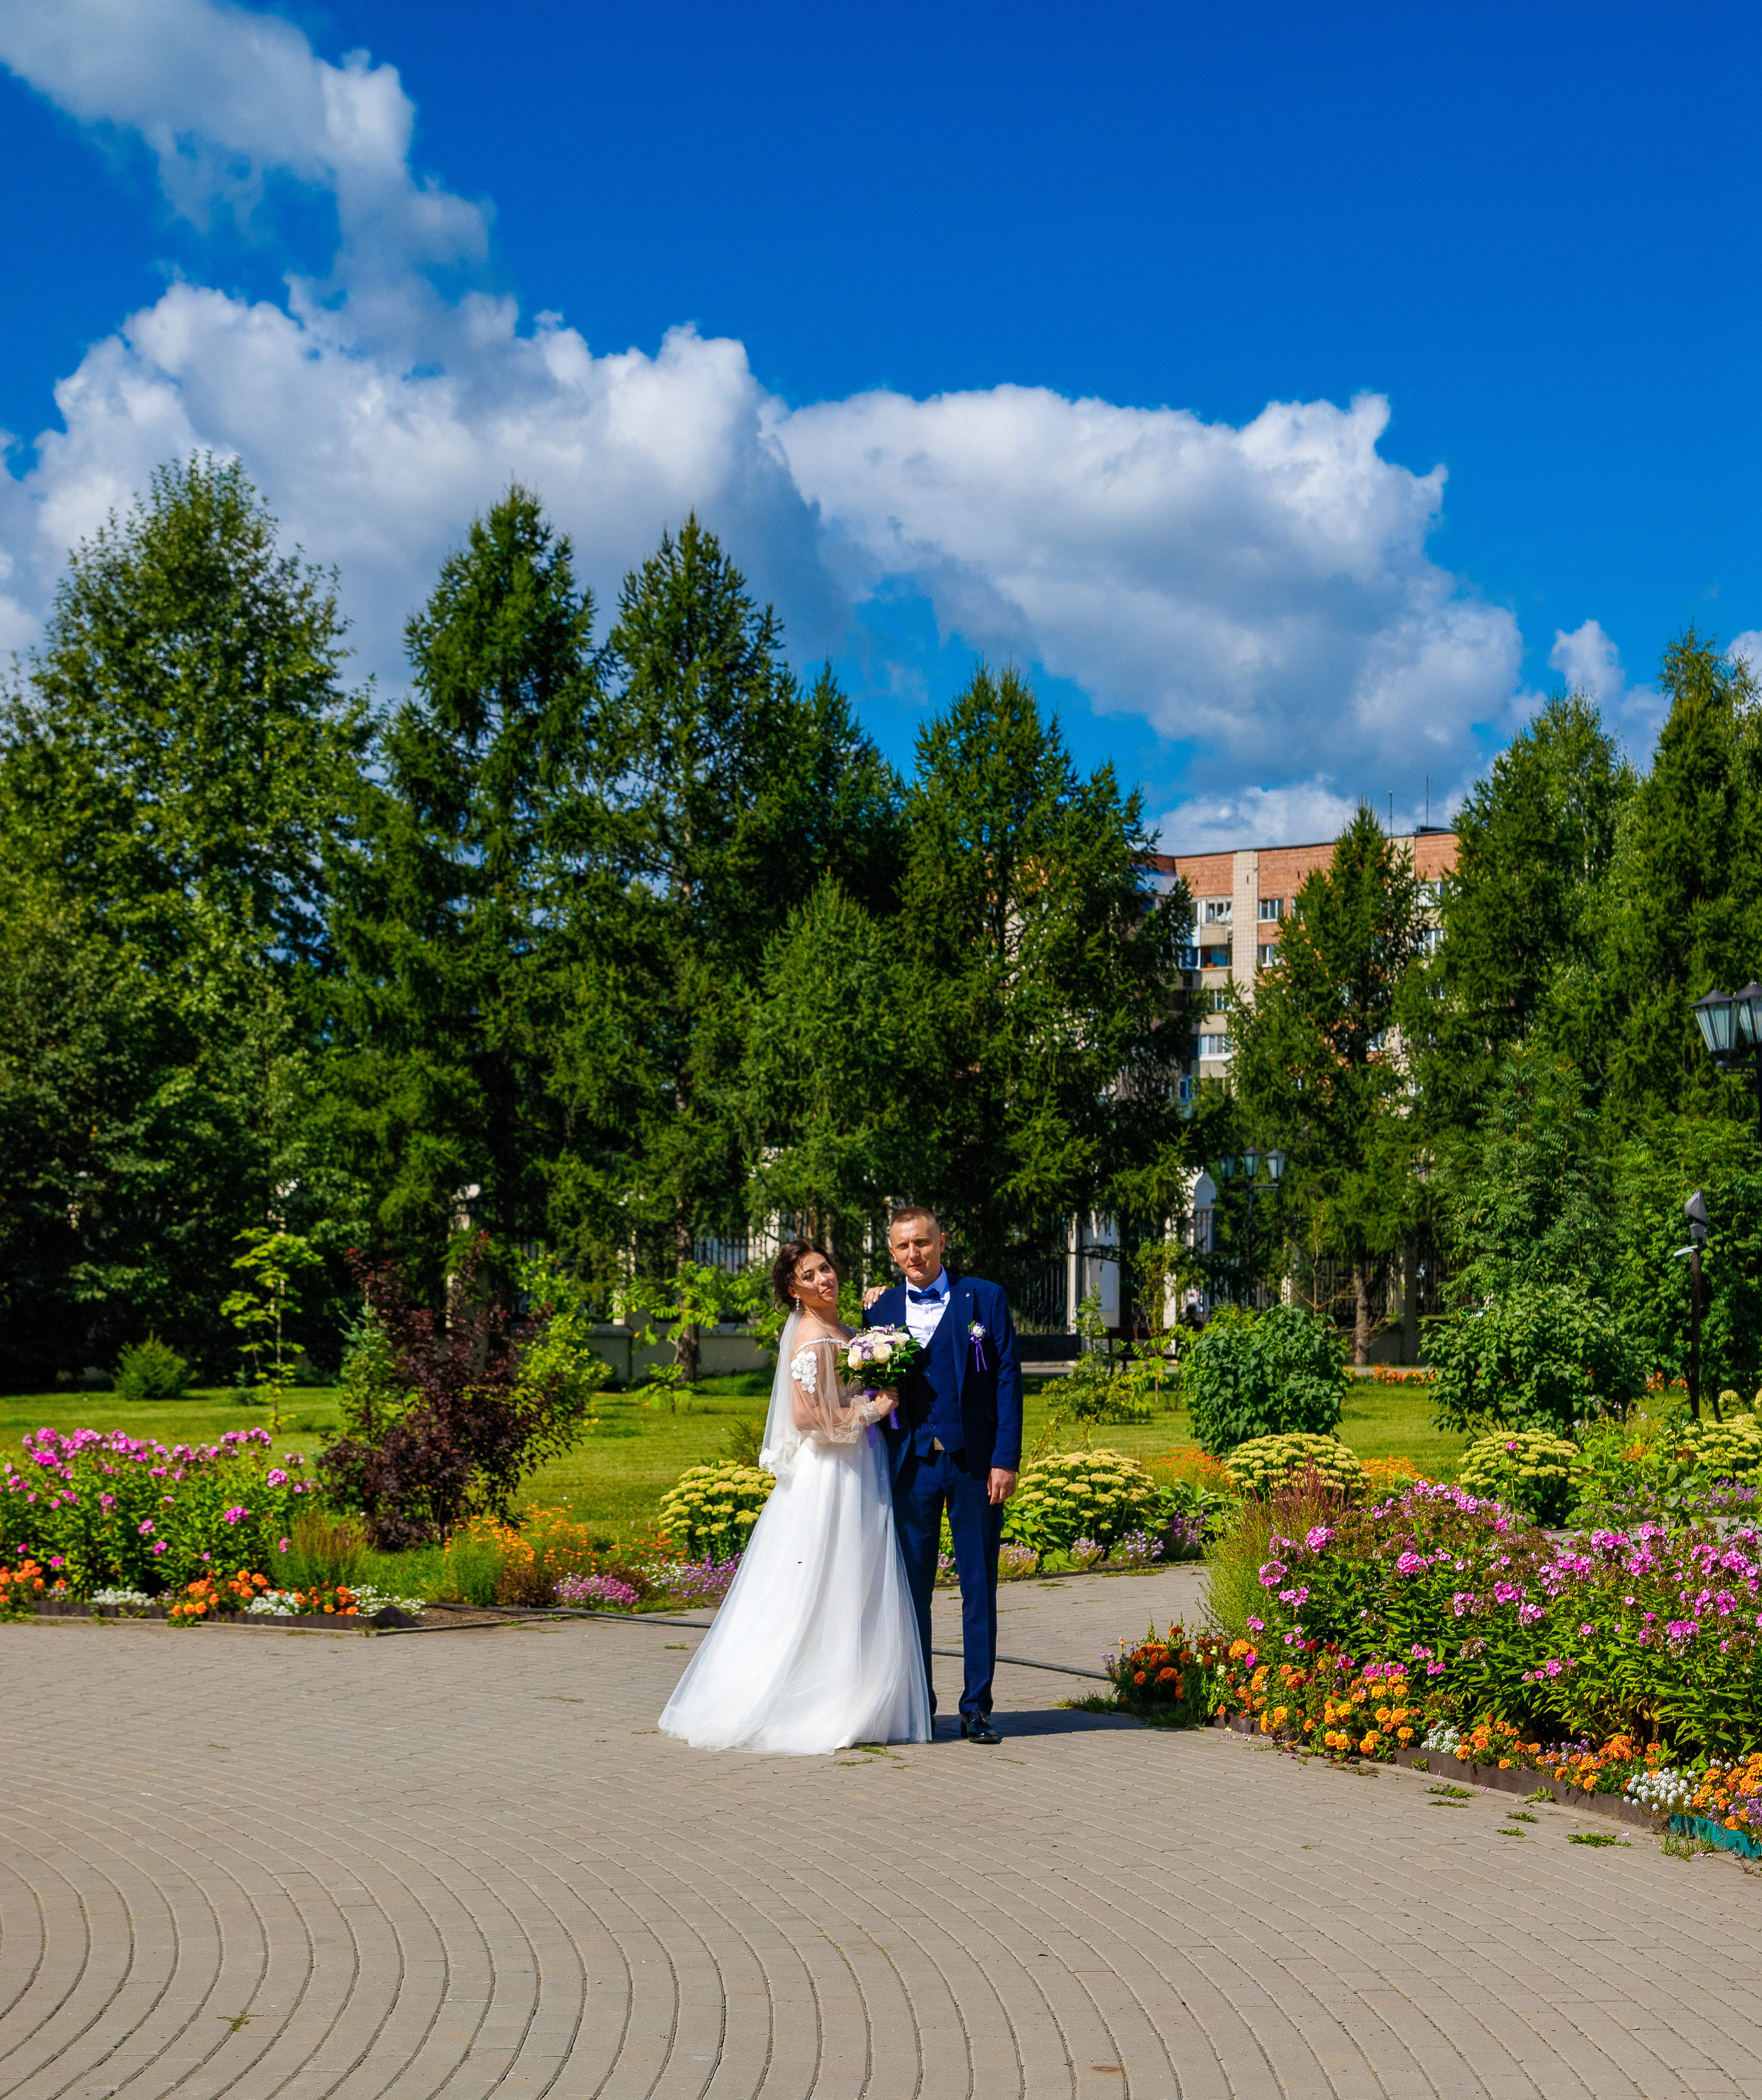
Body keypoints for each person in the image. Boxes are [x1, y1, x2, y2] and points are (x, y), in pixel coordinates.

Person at [658, 1238, 931, 1755]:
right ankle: (820, 1702)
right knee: (828, 1577)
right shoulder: (810, 1337)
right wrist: (874, 1410)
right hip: (830, 1473)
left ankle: (860, 1698)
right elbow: (807, 1420)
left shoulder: (847, 1329)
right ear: (794, 1289)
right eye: (810, 1275)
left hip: (858, 1462)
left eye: (826, 1267)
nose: (824, 1278)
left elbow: (843, 1390)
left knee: (857, 1577)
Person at [863, 1206, 1022, 1743]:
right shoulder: (881, 1307)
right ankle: (919, 1701)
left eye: (924, 1243)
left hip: (975, 1465)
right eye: (904, 1246)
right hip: (911, 1467)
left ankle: (976, 1706)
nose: (915, 1254)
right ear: (892, 1252)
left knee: (979, 1586)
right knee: (912, 1590)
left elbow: (1006, 1379)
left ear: (942, 1242)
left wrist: (1005, 1458)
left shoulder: (985, 1297)